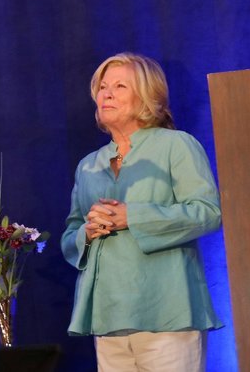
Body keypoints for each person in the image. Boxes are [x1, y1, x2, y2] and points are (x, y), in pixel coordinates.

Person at [60, 53, 222, 372]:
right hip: (109, 319)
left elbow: (207, 212)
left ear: (148, 96)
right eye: (103, 87)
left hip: (168, 315)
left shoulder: (176, 145)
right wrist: (87, 232)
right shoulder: (89, 165)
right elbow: (70, 237)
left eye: (119, 86)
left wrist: (134, 216)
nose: (106, 94)